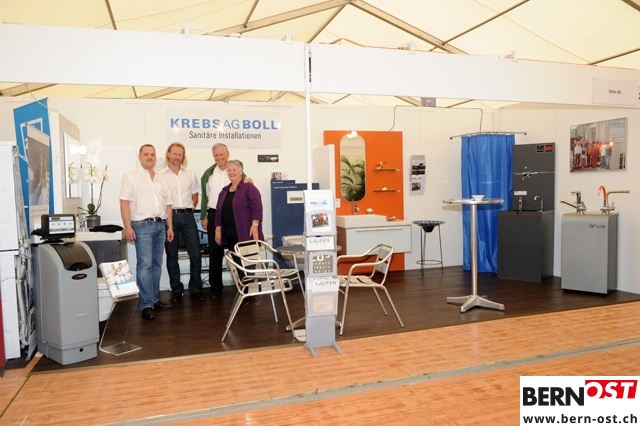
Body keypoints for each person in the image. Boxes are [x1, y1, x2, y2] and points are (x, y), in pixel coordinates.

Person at [120, 144, 174, 320]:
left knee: (157, 264)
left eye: (152, 154)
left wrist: (170, 226)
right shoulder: (131, 176)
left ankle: (154, 299)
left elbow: (168, 205)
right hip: (141, 225)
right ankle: (146, 304)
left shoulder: (162, 178)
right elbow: (124, 202)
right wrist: (127, 226)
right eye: (146, 154)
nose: (150, 157)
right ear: (139, 157)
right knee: (145, 265)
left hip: (160, 225)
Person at [200, 143, 248, 298]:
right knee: (215, 253)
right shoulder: (208, 174)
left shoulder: (235, 170)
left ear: (228, 154)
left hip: (234, 216)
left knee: (237, 252)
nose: (219, 157)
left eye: (221, 154)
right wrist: (203, 216)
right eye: (216, 155)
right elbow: (204, 197)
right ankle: (216, 288)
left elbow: (246, 188)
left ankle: (245, 287)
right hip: (214, 215)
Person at [160, 142, 206, 303]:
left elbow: (195, 196)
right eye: (174, 154)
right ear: (169, 154)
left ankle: (195, 289)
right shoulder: (161, 175)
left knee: (196, 254)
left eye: (180, 154)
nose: (177, 157)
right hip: (169, 216)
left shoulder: (190, 174)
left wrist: (190, 209)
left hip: (187, 217)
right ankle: (176, 290)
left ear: (183, 156)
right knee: (172, 255)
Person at [214, 160, 264, 260]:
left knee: (248, 265)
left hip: (247, 234)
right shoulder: (224, 191)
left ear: (241, 172)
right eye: (229, 170)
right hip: (230, 236)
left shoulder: (249, 188)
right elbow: (219, 212)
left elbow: (257, 207)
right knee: (236, 265)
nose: (231, 172)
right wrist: (218, 230)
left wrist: (255, 225)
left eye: (234, 170)